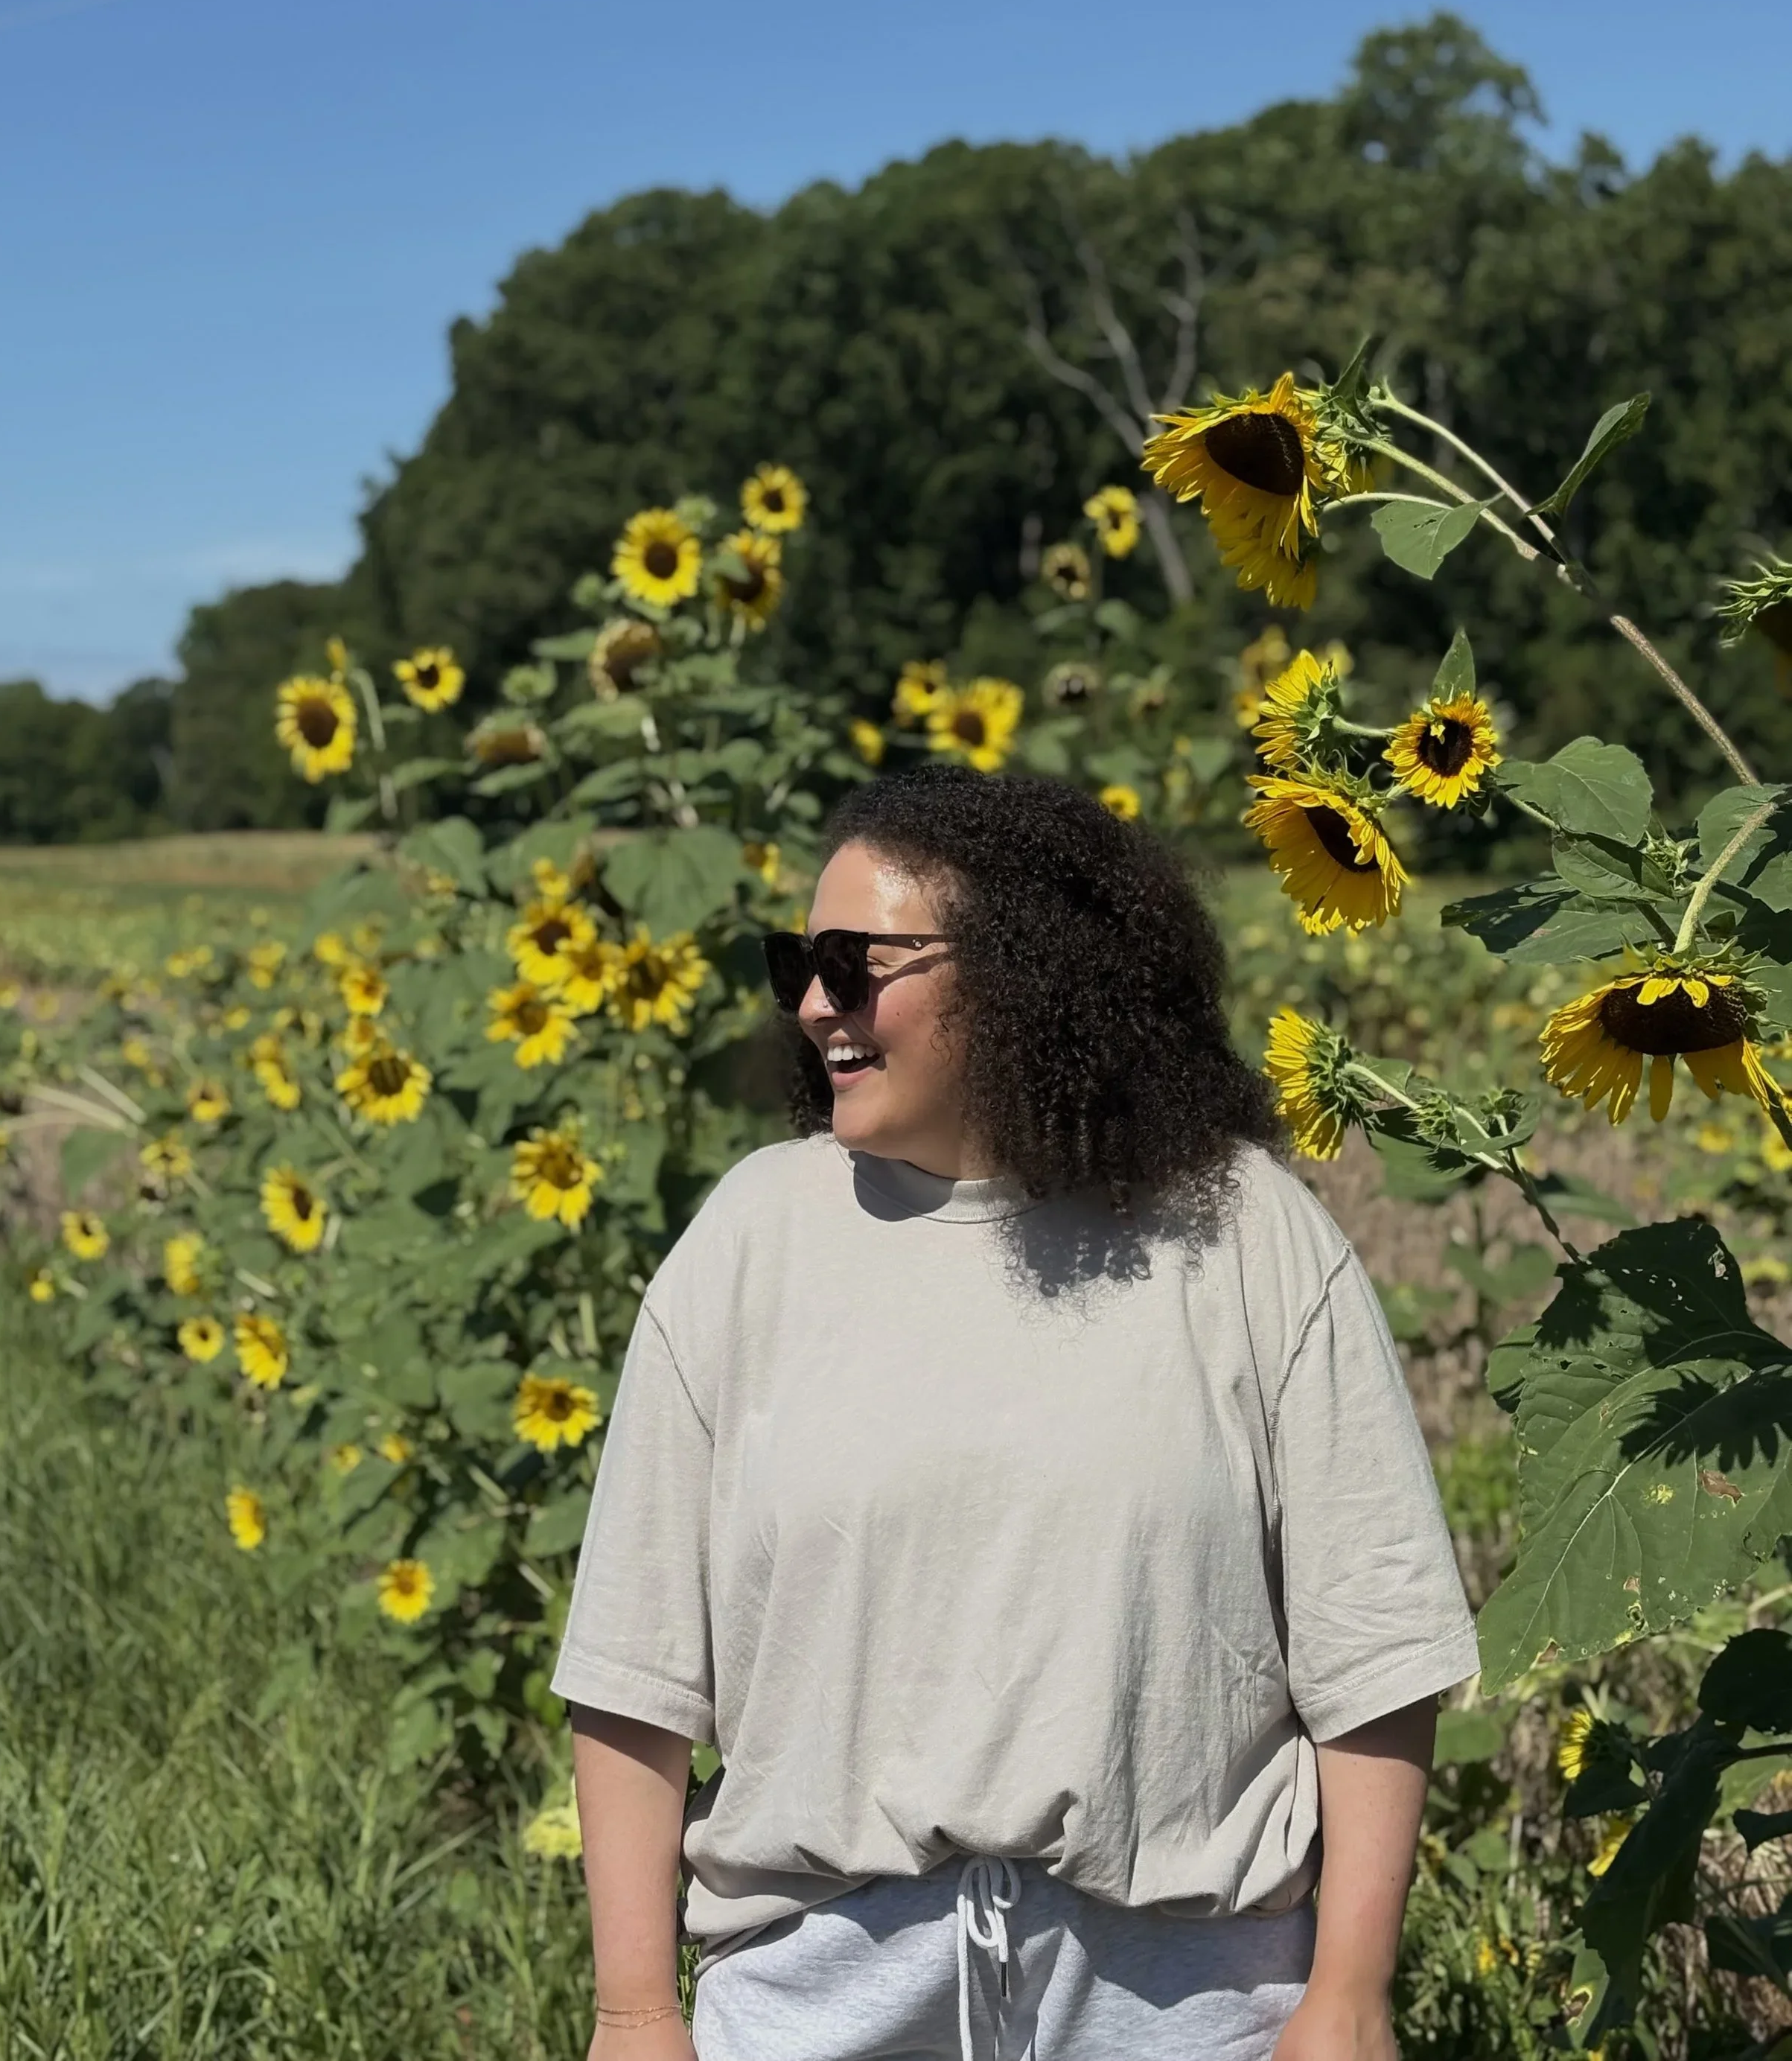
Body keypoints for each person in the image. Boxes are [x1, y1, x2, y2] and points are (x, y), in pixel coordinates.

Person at [555, 765, 1477, 2061]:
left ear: (1026, 972)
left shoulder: (1247, 1234)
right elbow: (634, 1676)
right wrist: (635, 2013)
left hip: (1190, 2011)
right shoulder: (750, 1244)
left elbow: (1372, 1652)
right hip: (819, 2010)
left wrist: (1350, 1995)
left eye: (856, 960)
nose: (819, 1001)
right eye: (796, 964)